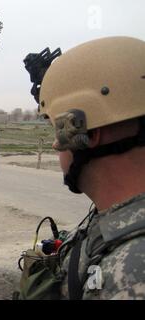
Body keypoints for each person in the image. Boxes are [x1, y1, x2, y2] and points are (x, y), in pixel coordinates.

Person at [19, 36, 145, 300]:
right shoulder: (115, 226)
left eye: (56, 128)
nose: (54, 145)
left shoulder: (126, 275)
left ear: (85, 132)